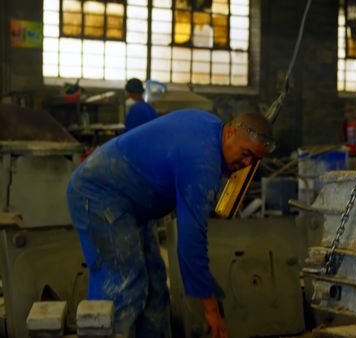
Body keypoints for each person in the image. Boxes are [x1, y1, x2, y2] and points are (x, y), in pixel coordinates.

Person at [66, 109, 274, 337]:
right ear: (231, 133)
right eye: (246, 153)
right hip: (99, 192)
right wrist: (211, 310)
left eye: (253, 160)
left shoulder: (214, 127)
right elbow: (190, 243)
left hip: (131, 201)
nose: (246, 164)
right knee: (123, 284)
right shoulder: (202, 165)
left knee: (155, 283)